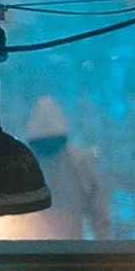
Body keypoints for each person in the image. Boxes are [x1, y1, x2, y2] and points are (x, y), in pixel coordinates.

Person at [24, 96, 110, 239]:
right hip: (44, 249)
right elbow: (98, 208)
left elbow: (98, 208)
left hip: (63, 248)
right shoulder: (24, 164)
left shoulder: (78, 163)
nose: (49, 145)